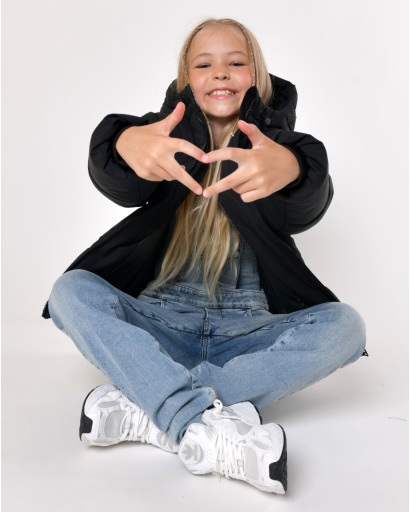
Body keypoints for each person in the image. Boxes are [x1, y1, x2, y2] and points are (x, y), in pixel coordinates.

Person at [44, 18, 367, 494]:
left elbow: (308, 197)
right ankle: (196, 417)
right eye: (204, 65)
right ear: (185, 80)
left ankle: (151, 402)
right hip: (161, 319)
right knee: (71, 291)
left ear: (257, 75)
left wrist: (291, 167)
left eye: (236, 62)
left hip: (246, 331)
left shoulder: (283, 149)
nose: (220, 73)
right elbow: (118, 174)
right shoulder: (161, 140)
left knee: (346, 327)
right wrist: (122, 141)